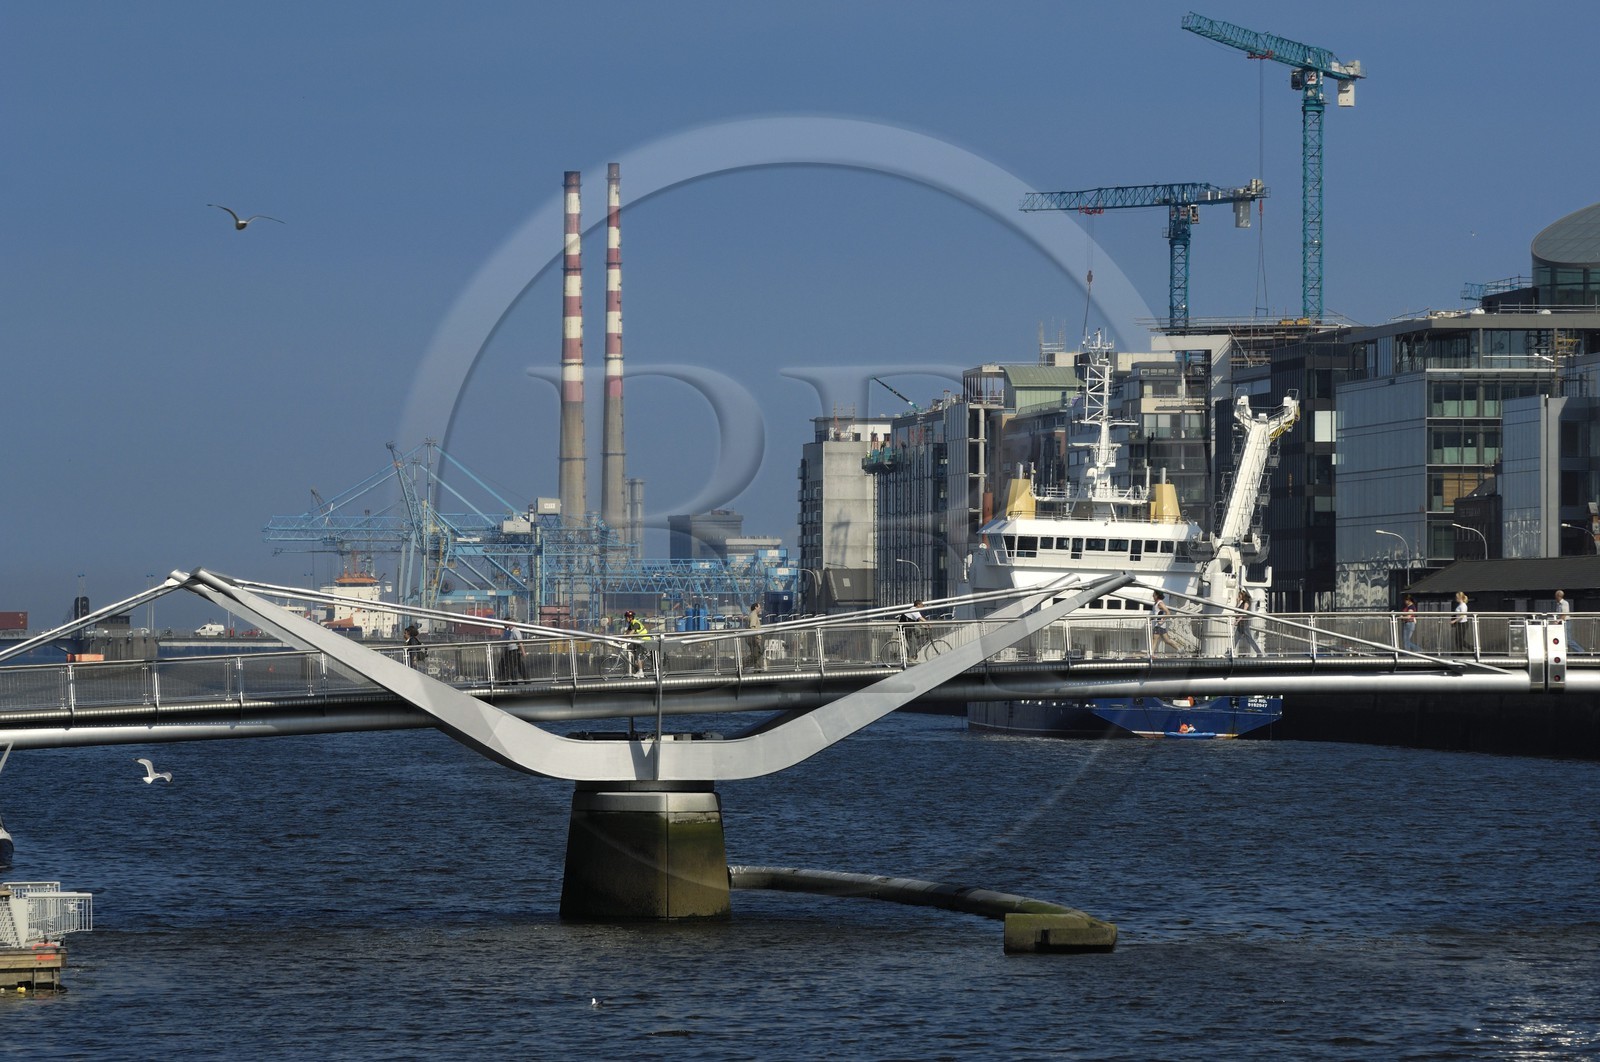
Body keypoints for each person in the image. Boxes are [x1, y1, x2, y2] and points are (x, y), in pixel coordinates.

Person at [1232, 589, 1263, 657]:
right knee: (1235, 639)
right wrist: (1237, 602)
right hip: (1240, 624)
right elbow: (1235, 611)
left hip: (1244, 624)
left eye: (1239, 596)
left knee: (1249, 640)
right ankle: (1228, 652)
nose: (1239, 597)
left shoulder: (1246, 603)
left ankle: (1259, 653)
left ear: (1243, 596)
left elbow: (1243, 614)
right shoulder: (1242, 603)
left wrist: (1237, 621)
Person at [1151, 590, 1181, 654]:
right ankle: (1179, 649)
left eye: (1154, 594)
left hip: (1158, 625)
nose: (1152, 596)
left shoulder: (1160, 603)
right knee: (1167, 640)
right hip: (1159, 625)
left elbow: (1168, 612)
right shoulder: (1156, 603)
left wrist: (1162, 620)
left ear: (1157, 596)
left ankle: (1151, 654)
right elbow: (1157, 613)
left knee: (1155, 639)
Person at [622, 609, 649, 676]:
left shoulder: (635, 622)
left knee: (639, 655)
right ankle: (637, 663)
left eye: (626, 618)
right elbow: (626, 632)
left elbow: (632, 632)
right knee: (629, 647)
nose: (626, 619)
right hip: (638, 641)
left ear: (630, 618)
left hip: (643, 640)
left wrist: (625, 638)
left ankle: (641, 672)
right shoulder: (631, 624)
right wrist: (620, 638)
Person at [744, 602, 765, 670]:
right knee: (755, 654)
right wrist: (756, 637)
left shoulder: (753, 615)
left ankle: (757, 669)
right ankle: (744, 663)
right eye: (759, 607)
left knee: (757, 653)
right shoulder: (753, 615)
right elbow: (752, 627)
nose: (760, 609)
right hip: (753, 638)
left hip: (752, 637)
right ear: (756, 607)